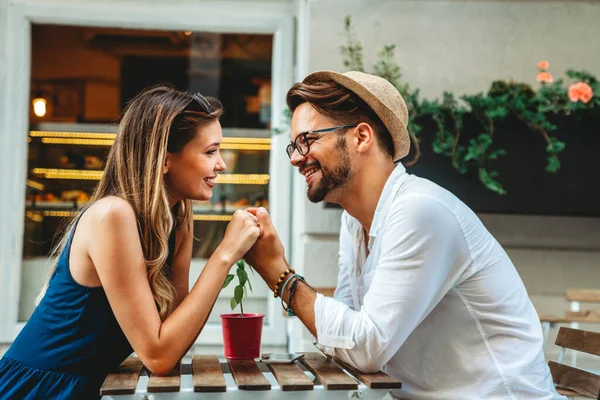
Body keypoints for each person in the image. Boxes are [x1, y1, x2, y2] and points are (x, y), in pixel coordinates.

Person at [243, 71, 565, 399]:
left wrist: (278, 274)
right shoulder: (354, 223)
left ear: (362, 137)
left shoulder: (419, 211)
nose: (296, 158)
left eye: (307, 140)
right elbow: (347, 338)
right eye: (293, 146)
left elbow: (364, 347)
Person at [0, 86, 261, 399]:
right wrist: (225, 254)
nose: (221, 164)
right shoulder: (112, 215)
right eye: (210, 151)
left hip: (84, 388)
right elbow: (159, 356)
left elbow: (174, 339)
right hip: (39, 389)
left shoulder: (176, 219)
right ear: (164, 160)